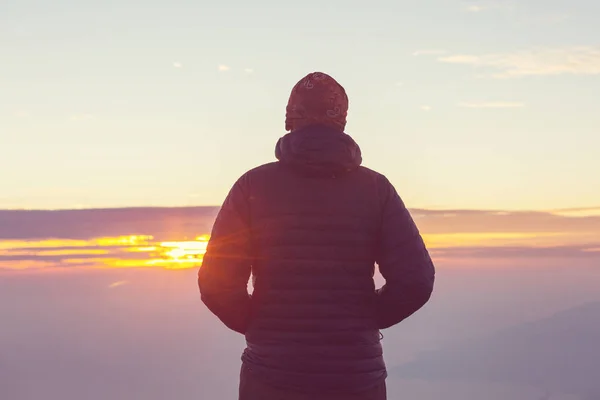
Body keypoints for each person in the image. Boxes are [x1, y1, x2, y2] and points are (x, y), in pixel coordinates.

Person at [198, 72, 435, 400]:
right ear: (342, 121)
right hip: (355, 376)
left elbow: (216, 283)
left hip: (272, 373)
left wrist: (262, 326)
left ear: (289, 118)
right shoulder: (375, 189)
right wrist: (362, 322)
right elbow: (417, 281)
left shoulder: (253, 186)